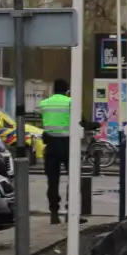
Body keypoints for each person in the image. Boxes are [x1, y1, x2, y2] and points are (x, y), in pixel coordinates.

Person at [39, 79, 74, 225]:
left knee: (52, 181)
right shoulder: (70, 102)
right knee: (73, 180)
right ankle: (70, 212)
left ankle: (54, 214)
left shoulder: (44, 103)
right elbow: (81, 122)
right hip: (67, 145)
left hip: (51, 145)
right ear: (67, 90)